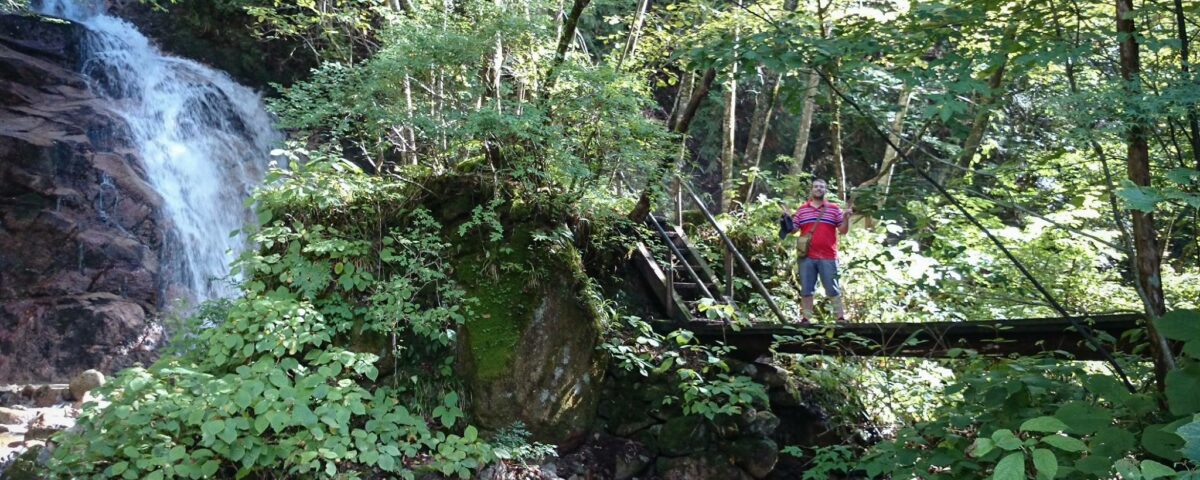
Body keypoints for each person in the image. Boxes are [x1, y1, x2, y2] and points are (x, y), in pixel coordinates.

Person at [780, 178, 851, 323]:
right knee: (806, 289)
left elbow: (843, 231)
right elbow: (793, 230)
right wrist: (786, 218)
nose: (818, 189)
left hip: (829, 255)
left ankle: (840, 318)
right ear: (811, 190)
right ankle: (806, 319)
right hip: (806, 256)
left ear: (825, 190)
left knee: (833, 288)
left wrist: (846, 218)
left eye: (821, 187)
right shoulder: (802, 209)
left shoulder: (834, 209)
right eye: (816, 186)